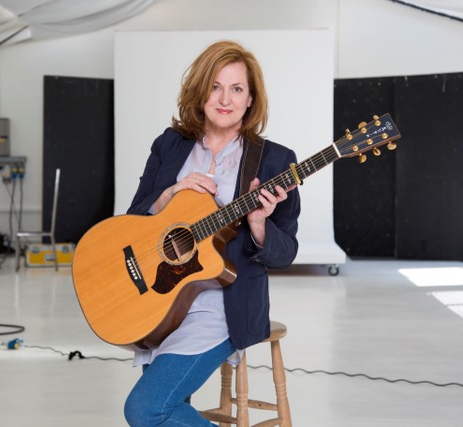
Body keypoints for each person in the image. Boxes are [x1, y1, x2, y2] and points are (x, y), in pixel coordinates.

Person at [123, 40, 301, 426]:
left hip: (222, 307)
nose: (225, 99)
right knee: (163, 412)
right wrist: (171, 193)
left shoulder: (274, 160)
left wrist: (258, 224)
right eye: (216, 86)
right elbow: (134, 216)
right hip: (163, 295)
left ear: (251, 99)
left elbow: (286, 252)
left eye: (237, 89)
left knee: (146, 410)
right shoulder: (170, 145)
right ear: (200, 91)